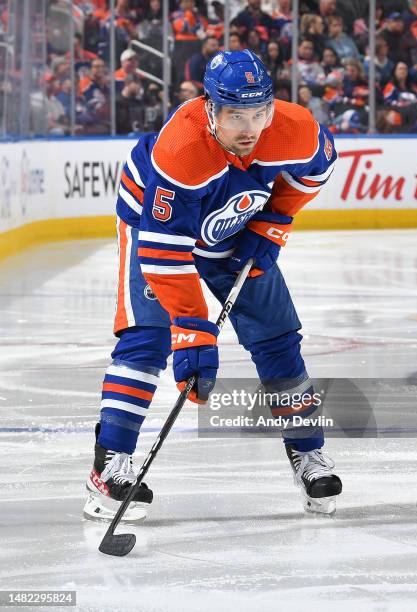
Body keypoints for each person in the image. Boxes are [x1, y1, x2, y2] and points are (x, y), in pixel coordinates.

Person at [83, 49, 342, 523]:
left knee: (277, 336)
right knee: (148, 338)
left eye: (259, 113)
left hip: (232, 224)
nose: (249, 128)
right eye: (235, 115)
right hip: (153, 225)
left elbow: (316, 170)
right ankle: (109, 466)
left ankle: (308, 456)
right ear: (210, 108)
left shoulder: (293, 127)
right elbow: (164, 253)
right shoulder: (181, 150)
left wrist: (273, 222)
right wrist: (192, 330)